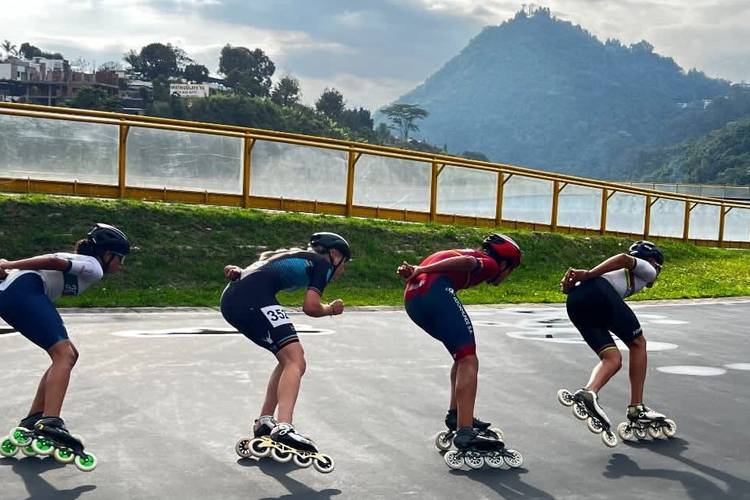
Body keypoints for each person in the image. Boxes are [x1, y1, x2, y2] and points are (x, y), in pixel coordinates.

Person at [0, 223, 129, 466]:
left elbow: (50, 266)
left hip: (15, 293)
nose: (121, 265)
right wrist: (9, 265)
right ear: (106, 254)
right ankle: (50, 422)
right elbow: (53, 261)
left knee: (69, 354)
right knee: (64, 355)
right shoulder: (93, 266)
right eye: (119, 258)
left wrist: (8, 270)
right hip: (23, 293)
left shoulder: (86, 265)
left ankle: (34, 418)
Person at [221, 232, 350, 457]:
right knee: (296, 360)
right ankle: (284, 427)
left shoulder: (297, 256)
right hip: (252, 298)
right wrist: (331, 309)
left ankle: (265, 422)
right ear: (335, 254)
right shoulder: (322, 263)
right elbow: (311, 307)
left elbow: (250, 272)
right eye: (345, 263)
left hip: (234, 299)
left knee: (287, 358)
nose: (344, 269)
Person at [397, 233, 522, 453]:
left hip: (412, 300)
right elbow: (467, 264)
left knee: (461, 355)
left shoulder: (461, 250)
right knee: (468, 359)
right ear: (504, 264)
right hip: (435, 294)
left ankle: (457, 415)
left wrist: (418, 269)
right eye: (510, 271)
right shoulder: (491, 264)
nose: (506, 276)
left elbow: (444, 264)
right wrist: (422, 270)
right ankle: (465, 432)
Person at [559, 240, 674, 443]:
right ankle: (636, 407)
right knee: (638, 343)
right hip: (598, 292)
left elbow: (586, 289)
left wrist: (573, 285)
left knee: (612, 358)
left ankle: (589, 393)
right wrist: (588, 274)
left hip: (576, 301)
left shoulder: (619, 278)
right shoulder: (649, 269)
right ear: (655, 263)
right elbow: (622, 258)